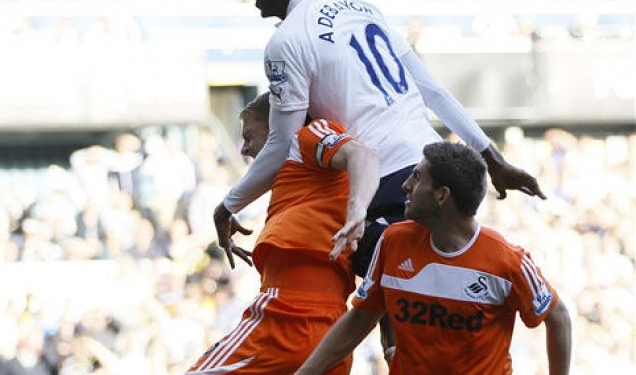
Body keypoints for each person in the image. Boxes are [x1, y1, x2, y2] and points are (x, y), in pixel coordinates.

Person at [214, 0, 546, 270]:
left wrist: (228, 206)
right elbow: (432, 90)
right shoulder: (364, 9)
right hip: (435, 164)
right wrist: (493, 159)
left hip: (388, 179)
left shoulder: (287, 39)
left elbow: (282, 143)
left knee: (350, 263)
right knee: (422, 291)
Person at [296, 141, 572, 375]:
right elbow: (361, 318)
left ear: (442, 195)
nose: (405, 185)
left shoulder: (507, 261)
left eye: (416, 177)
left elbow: (558, 317)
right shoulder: (392, 241)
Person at [187, 93, 380, 374]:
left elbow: (362, 155)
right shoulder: (296, 177)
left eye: (249, 136)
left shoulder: (306, 136)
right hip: (330, 324)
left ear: (278, 125)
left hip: (284, 313)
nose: (244, 149)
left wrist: (358, 208)